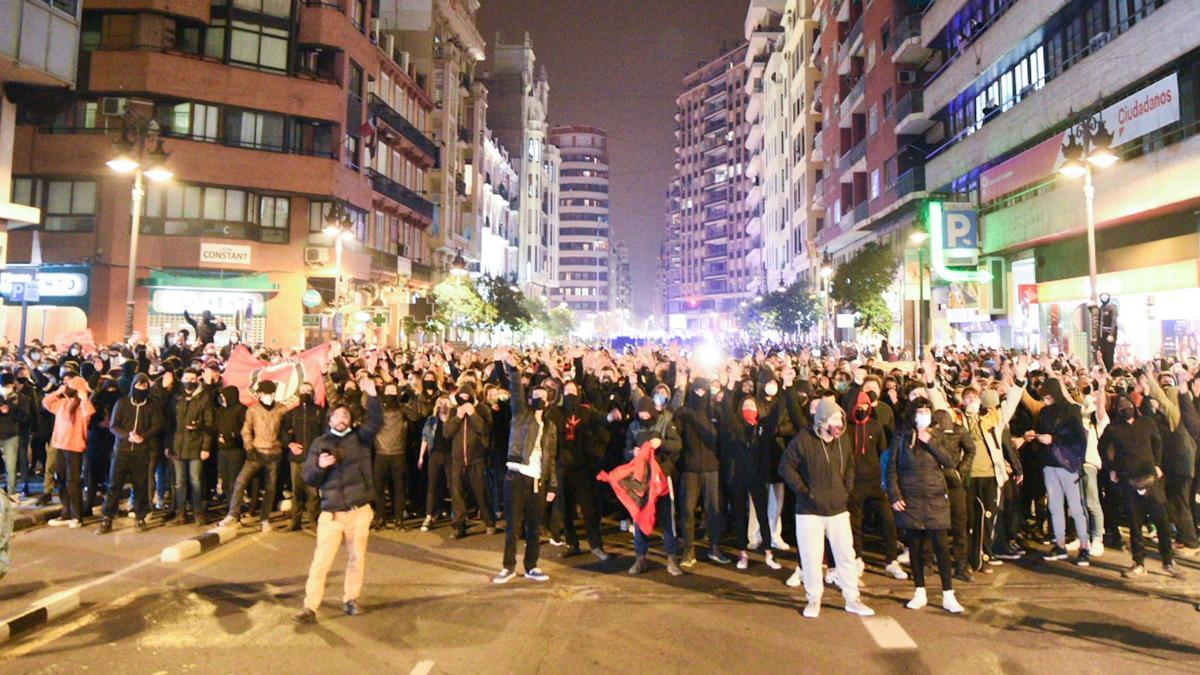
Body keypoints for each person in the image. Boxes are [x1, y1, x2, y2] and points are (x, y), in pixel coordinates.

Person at [294, 374, 381, 624]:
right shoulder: (320, 443)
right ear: (330, 419)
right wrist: (320, 466)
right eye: (338, 416)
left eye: (346, 416)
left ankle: (350, 599)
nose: (342, 419)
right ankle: (310, 606)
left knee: (356, 558)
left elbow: (375, 422)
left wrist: (373, 396)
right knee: (321, 562)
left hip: (358, 510)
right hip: (331, 513)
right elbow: (308, 477)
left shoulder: (360, 439)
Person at [779, 398, 874, 619]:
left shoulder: (842, 440)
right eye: (834, 418)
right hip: (809, 511)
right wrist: (804, 490)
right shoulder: (804, 439)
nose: (839, 423)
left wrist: (845, 489)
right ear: (821, 419)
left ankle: (852, 598)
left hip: (838, 508)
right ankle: (814, 598)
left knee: (846, 556)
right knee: (811, 557)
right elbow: (785, 466)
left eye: (840, 418)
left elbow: (850, 464)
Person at [888, 398, 964, 614]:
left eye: (927, 411)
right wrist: (895, 494)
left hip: (935, 497)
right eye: (920, 411)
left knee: (940, 546)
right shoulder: (901, 437)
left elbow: (949, 461)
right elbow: (891, 468)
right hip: (910, 499)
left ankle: (948, 594)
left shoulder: (938, 434)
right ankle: (919, 590)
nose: (923, 415)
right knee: (916, 547)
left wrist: (929, 441)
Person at [1100, 393, 1186, 580]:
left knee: (1162, 522)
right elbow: (1103, 449)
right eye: (1121, 408)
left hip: (1150, 479)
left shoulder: (1147, 422)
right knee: (1134, 524)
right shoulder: (1113, 429)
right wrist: (1111, 468)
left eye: (1127, 406)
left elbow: (1158, 443)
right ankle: (1139, 563)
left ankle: (1168, 561)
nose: (1125, 410)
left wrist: (1157, 464)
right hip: (1127, 480)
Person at [492, 348, 558, 584]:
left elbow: (551, 457)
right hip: (516, 476)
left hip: (538, 480)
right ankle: (508, 567)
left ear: (549, 400)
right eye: (536, 394)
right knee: (513, 526)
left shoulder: (550, 426)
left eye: (544, 394)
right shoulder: (521, 415)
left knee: (534, 527)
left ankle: (532, 566)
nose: (539, 397)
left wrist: (553, 486)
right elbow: (516, 391)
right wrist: (512, 368)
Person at [219, 380, 290, 531]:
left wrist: (284, 442)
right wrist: (249, 448)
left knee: (270, 488)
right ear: (259, 394)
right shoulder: (253, 410)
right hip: (256, 453)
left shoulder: (281, 410)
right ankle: (232, 514)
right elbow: (246, 430)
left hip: (274, 454)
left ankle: (265, 519)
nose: (268, 396)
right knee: (240, 482)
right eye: (265, 393)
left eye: (270, 393)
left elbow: (286, 430)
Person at [99, 374, 162, 533]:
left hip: (142, 451)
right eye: (138, 386)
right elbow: (114, 426)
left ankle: (140, 516)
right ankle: (107, 518)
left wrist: (143, 437)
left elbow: (156, 425)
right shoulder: (122, 403)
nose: (141, 389)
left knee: (141, 485)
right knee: (115, 485)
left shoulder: (152, 405)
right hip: (122, 450)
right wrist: (128, 435)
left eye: (144, 387)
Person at [443, 383, 496, 538]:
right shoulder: (454, 411)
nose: (464, 400)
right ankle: (459, 526)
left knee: (481, 492)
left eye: (467, 397)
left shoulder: (482, 410)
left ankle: (489, 521)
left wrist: (473, 414)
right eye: (462, 397)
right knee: (457, 494)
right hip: (457, 459)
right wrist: (458, 417)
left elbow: (485, 430)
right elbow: (446, 433)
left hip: (476, 458)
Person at [44, 376, 94, 528]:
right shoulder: (62, 403)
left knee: (73, 482)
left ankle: (76, 516)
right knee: (61, 479)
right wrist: (58, 392)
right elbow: (46, 402)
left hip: (74, 446)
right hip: (60, 445)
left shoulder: (82, 406)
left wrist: (83, 397)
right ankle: (66, 513)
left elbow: (89, 413)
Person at [169, 368, 214, 526]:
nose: (189, 381)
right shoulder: (176, 397)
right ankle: (180, 513)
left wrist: (205, 447)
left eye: (192, 378)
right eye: (186, 377)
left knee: (196, 480)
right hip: (177, 446)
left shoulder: (204, 398)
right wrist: (168, 445)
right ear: (181, 379)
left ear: (197, 380)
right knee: (179, 482)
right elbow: (170, 424)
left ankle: (198, 513)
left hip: (195, 445)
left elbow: (209, 424)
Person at [282, 382, 325, 531]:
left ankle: (314, 520)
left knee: (313, 491)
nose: (305, 393)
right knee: (297, 491)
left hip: (313, 459)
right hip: (296, 459)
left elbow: (325, 434)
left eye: (308, 390)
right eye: (302, 391)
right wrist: (290, 444)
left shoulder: (320, 412)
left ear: (313, 393)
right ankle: (295, 520)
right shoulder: (293, 412)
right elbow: (281, 431)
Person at [417, 396, 453, 531]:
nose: (443, 405)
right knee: (432, 485)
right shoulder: (431, 420)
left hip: (450, 455)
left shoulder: (453, 420)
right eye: (440, 403)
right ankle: (428, 516)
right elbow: (425, 438)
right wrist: (421, 456)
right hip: (435, 454)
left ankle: (457, 515)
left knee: (452, 485)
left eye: (445, 403)